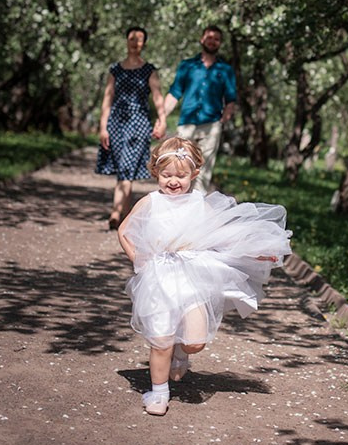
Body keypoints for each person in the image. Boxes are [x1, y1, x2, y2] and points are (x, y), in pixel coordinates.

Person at [117, 137, 291, 416]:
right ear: (156, 173)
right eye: (166, 175)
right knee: (161, 339)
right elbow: (124, 231)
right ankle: (159, 393)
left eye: (181, 176)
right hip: (160, 278)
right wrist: (139, 259)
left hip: (193, 278)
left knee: (195, 341)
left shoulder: (199, 202)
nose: (173, 181)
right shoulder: (151, 202)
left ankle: (182, 352)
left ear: (194, 174)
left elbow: (224, 237)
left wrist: (256, 252)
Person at [96, 26, 167, 230]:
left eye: (140, 39)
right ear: (126, 40)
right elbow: (107, 98)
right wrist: (103, 126)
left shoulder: (149, 70)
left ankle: (116, 213)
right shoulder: (115, 70)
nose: (135, 42)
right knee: (123, 170)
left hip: (138, 124)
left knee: (126, 169)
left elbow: (157, 96)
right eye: (132, 38)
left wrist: (161, 120)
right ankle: (126, 217)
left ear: (144, 43)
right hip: (116, 123)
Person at [162, 25, 237, 192]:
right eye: (209, 37)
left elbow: (231, 100)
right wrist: (161, 118)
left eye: (216, 39)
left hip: (211, 125)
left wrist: (222, 121)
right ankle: (177, 206)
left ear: (220, 43)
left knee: (203, 172)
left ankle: (195, 212)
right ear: (202, 39)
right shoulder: (187, 66)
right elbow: (175, 93)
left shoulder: (226, 70)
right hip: (187, 124)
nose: (212, 41)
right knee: (180, 167)